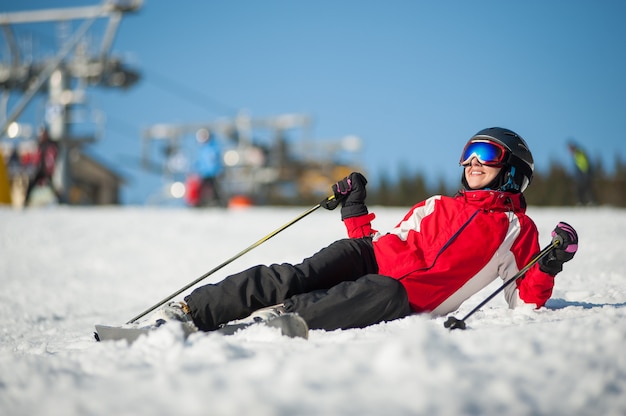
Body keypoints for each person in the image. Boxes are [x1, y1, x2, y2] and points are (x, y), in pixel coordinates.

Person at [149, 127, 579, 332]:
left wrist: (551, 263)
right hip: (372, 257)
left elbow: (524, 298)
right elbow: (379, 242)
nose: (472, 163)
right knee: (293, 274)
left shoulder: (517, 230)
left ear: (513, 170)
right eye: (468, 153)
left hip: (405, 294)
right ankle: (192, 310)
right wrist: (355, 208)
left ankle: (280, 318)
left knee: (377, 292)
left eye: (485, 153)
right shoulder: (438, 205)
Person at [24, 127, 61, 206]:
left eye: (43, 134)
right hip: (40, 169)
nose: (42, 136)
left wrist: (51, 168)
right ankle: (26, 201)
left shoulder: (50, 145)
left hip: (46, 170)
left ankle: (58, 200)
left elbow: (52, 157)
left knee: (51, 185)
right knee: (32, 183)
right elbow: (36, 157)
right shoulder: (40, 145)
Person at [189, 128, 224, 207]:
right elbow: (200, 161)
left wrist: (219, 170)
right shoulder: (201, 149)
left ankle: (219, 202)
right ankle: (199, 202)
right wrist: (196, 169)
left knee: (215, 187)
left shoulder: (213, 147)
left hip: (214, 172)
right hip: (204, 173)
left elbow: (215, 160)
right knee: (202, 188)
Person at [567, 141, 596, 205]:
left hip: (585, 173)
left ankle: (590, 201)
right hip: (582, 174)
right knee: (580, 188)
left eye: (570, 149)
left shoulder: (579, 153)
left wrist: (585, 172)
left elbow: (584, 163)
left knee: (586, 187)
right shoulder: (575, 155)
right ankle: (582, 202)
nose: (569, 151)